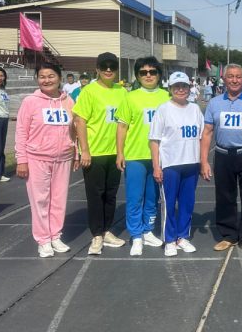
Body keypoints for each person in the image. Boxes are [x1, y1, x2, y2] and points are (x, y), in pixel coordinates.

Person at [15, 62, 79, 257]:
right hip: (37, 158)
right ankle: (43, 240)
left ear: (59, 78)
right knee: (40, 200)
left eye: (51, 76)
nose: (47, 80)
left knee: (59, 199)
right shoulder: (30, 102)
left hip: (63, 158)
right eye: (42, 76)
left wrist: (76, 153)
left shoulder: (69, 101)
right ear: (37, 79)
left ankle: (55, 236)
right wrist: (22, 160)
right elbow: (21, 132)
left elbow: (75, 130)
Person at [201, 64, 242, 255]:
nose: (234, 80)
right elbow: (207, 132)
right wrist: (203, 161)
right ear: (224, 79)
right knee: (224, 197)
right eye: (230, 76)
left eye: (238, 77)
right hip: (223, 155)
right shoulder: (214, 103)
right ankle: (228, 235)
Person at [73, 52, 128, 255]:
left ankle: (107, 230)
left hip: (115, 152)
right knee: (95, 195)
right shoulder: (89, 91)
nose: (108, 70)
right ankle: (96, 234)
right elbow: (80, 121)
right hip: (95, 152)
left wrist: (123, 151)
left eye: (112, 66)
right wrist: (85, 150)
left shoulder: (122, 91)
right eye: (104, 66)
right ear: (97, 69)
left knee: (111, 194)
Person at [115, 57, 168, 256]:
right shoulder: (130, 97)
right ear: (137, 76)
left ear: (159, 75)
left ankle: (148, 230)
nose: (148, 75)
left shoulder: (167, 97)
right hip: (135, 155)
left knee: (153, 198)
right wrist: (120, 153)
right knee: (135, 198)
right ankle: (136, 235)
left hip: (159, 158)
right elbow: (122, 127)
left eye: (152, 72)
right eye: (143, 72)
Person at [150, 71, 205, 257]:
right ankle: (170, 239)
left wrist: (202, 162)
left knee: (187, 203)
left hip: (191, 163)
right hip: (171, 165)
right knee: (169, 203)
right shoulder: (163, 109)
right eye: (176, 86)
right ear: (170, 89)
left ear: (189, 88)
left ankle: (182, 236)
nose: (181, 90)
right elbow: (154, 140)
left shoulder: (195, 109)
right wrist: (156, 166)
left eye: (184, 86)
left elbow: (202, 137)